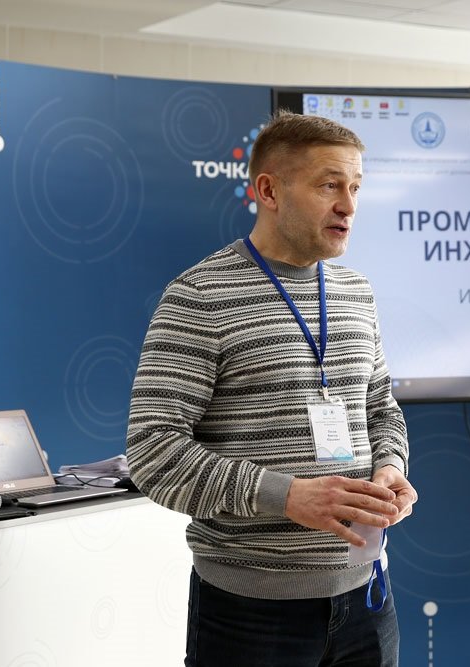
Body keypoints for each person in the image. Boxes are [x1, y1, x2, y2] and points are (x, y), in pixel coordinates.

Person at [126, 109, 417, 666]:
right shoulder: (200, 296)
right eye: (329, 185)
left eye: (355, 187)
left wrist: (390, 467)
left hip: (368, 599)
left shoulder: (356, 292)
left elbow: (380, 408)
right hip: (250, 613)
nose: (349, 206)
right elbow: (153, 452)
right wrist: (288, 496)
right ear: (269, 190)